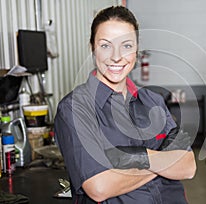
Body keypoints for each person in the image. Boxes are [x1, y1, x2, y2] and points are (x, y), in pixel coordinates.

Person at [54, 6, 196, 204]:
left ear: (137, 50)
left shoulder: (152, 101)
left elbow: (188, 166)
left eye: (126, 46)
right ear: (92, 48)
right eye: (105, 46)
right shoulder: (74, 108)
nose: (116, 56)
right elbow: (99, 187)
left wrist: (136, 158)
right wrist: (164, 160)